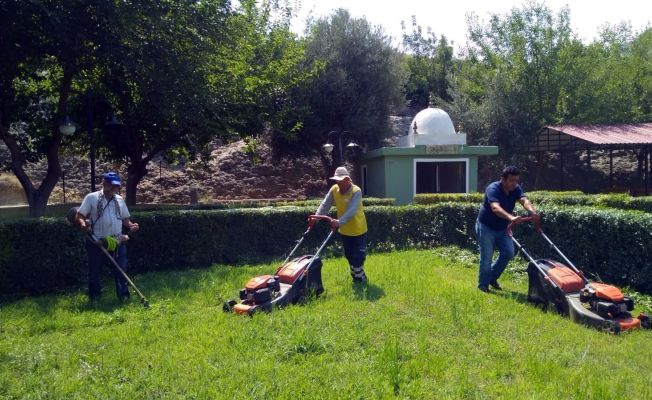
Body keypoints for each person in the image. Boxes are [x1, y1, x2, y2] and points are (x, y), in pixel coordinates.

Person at [75, 172, 139, 300]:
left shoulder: (119, 200)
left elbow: (125, 219)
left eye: (116, 186)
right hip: (97, 241)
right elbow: (79, 216)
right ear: (104, 183)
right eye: (112, 185)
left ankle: (123, 296)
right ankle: (95, 298)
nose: (114, 188)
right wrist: (82, 224)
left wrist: (132, 225)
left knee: (121, 269)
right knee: (94, 271)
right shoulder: (91, 198)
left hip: (117, 241)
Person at [476, 166, 539, 293]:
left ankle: (492, 277)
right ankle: (483, 285)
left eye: (516, 181)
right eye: (511, 180)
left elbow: (524, 200)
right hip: (486, 227)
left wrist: (532, 212)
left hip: (503, 228)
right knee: (487, 257)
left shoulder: (515, 188)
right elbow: (495, 208)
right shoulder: (493, 189)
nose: (514, 184)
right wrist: (511, 217)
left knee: (509, 252)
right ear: (503, 179)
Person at [315, 166, 368, 283]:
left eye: (340, 180)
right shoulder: (334, 189)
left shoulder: (356, 191)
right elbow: (325, 205)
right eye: (336, 180)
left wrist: (339, 221)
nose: (338, 183)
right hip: (344, 230)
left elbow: (352, 210)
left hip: (359, 229)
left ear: (347, 179)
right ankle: (356, 277)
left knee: (358, 257)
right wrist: (316, 218)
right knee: (349, 256)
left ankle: (361, 279)